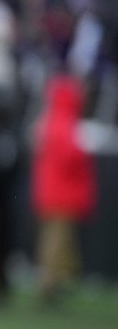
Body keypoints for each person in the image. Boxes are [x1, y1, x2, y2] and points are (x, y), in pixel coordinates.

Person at [30, 73, 96, 304]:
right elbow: (71, 157)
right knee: (56, 241)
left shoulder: (48, 121)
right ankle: (48, 285)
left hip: (49, 192)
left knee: (53, 240)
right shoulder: (65, 123)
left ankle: (55, 281)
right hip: (62, 194)